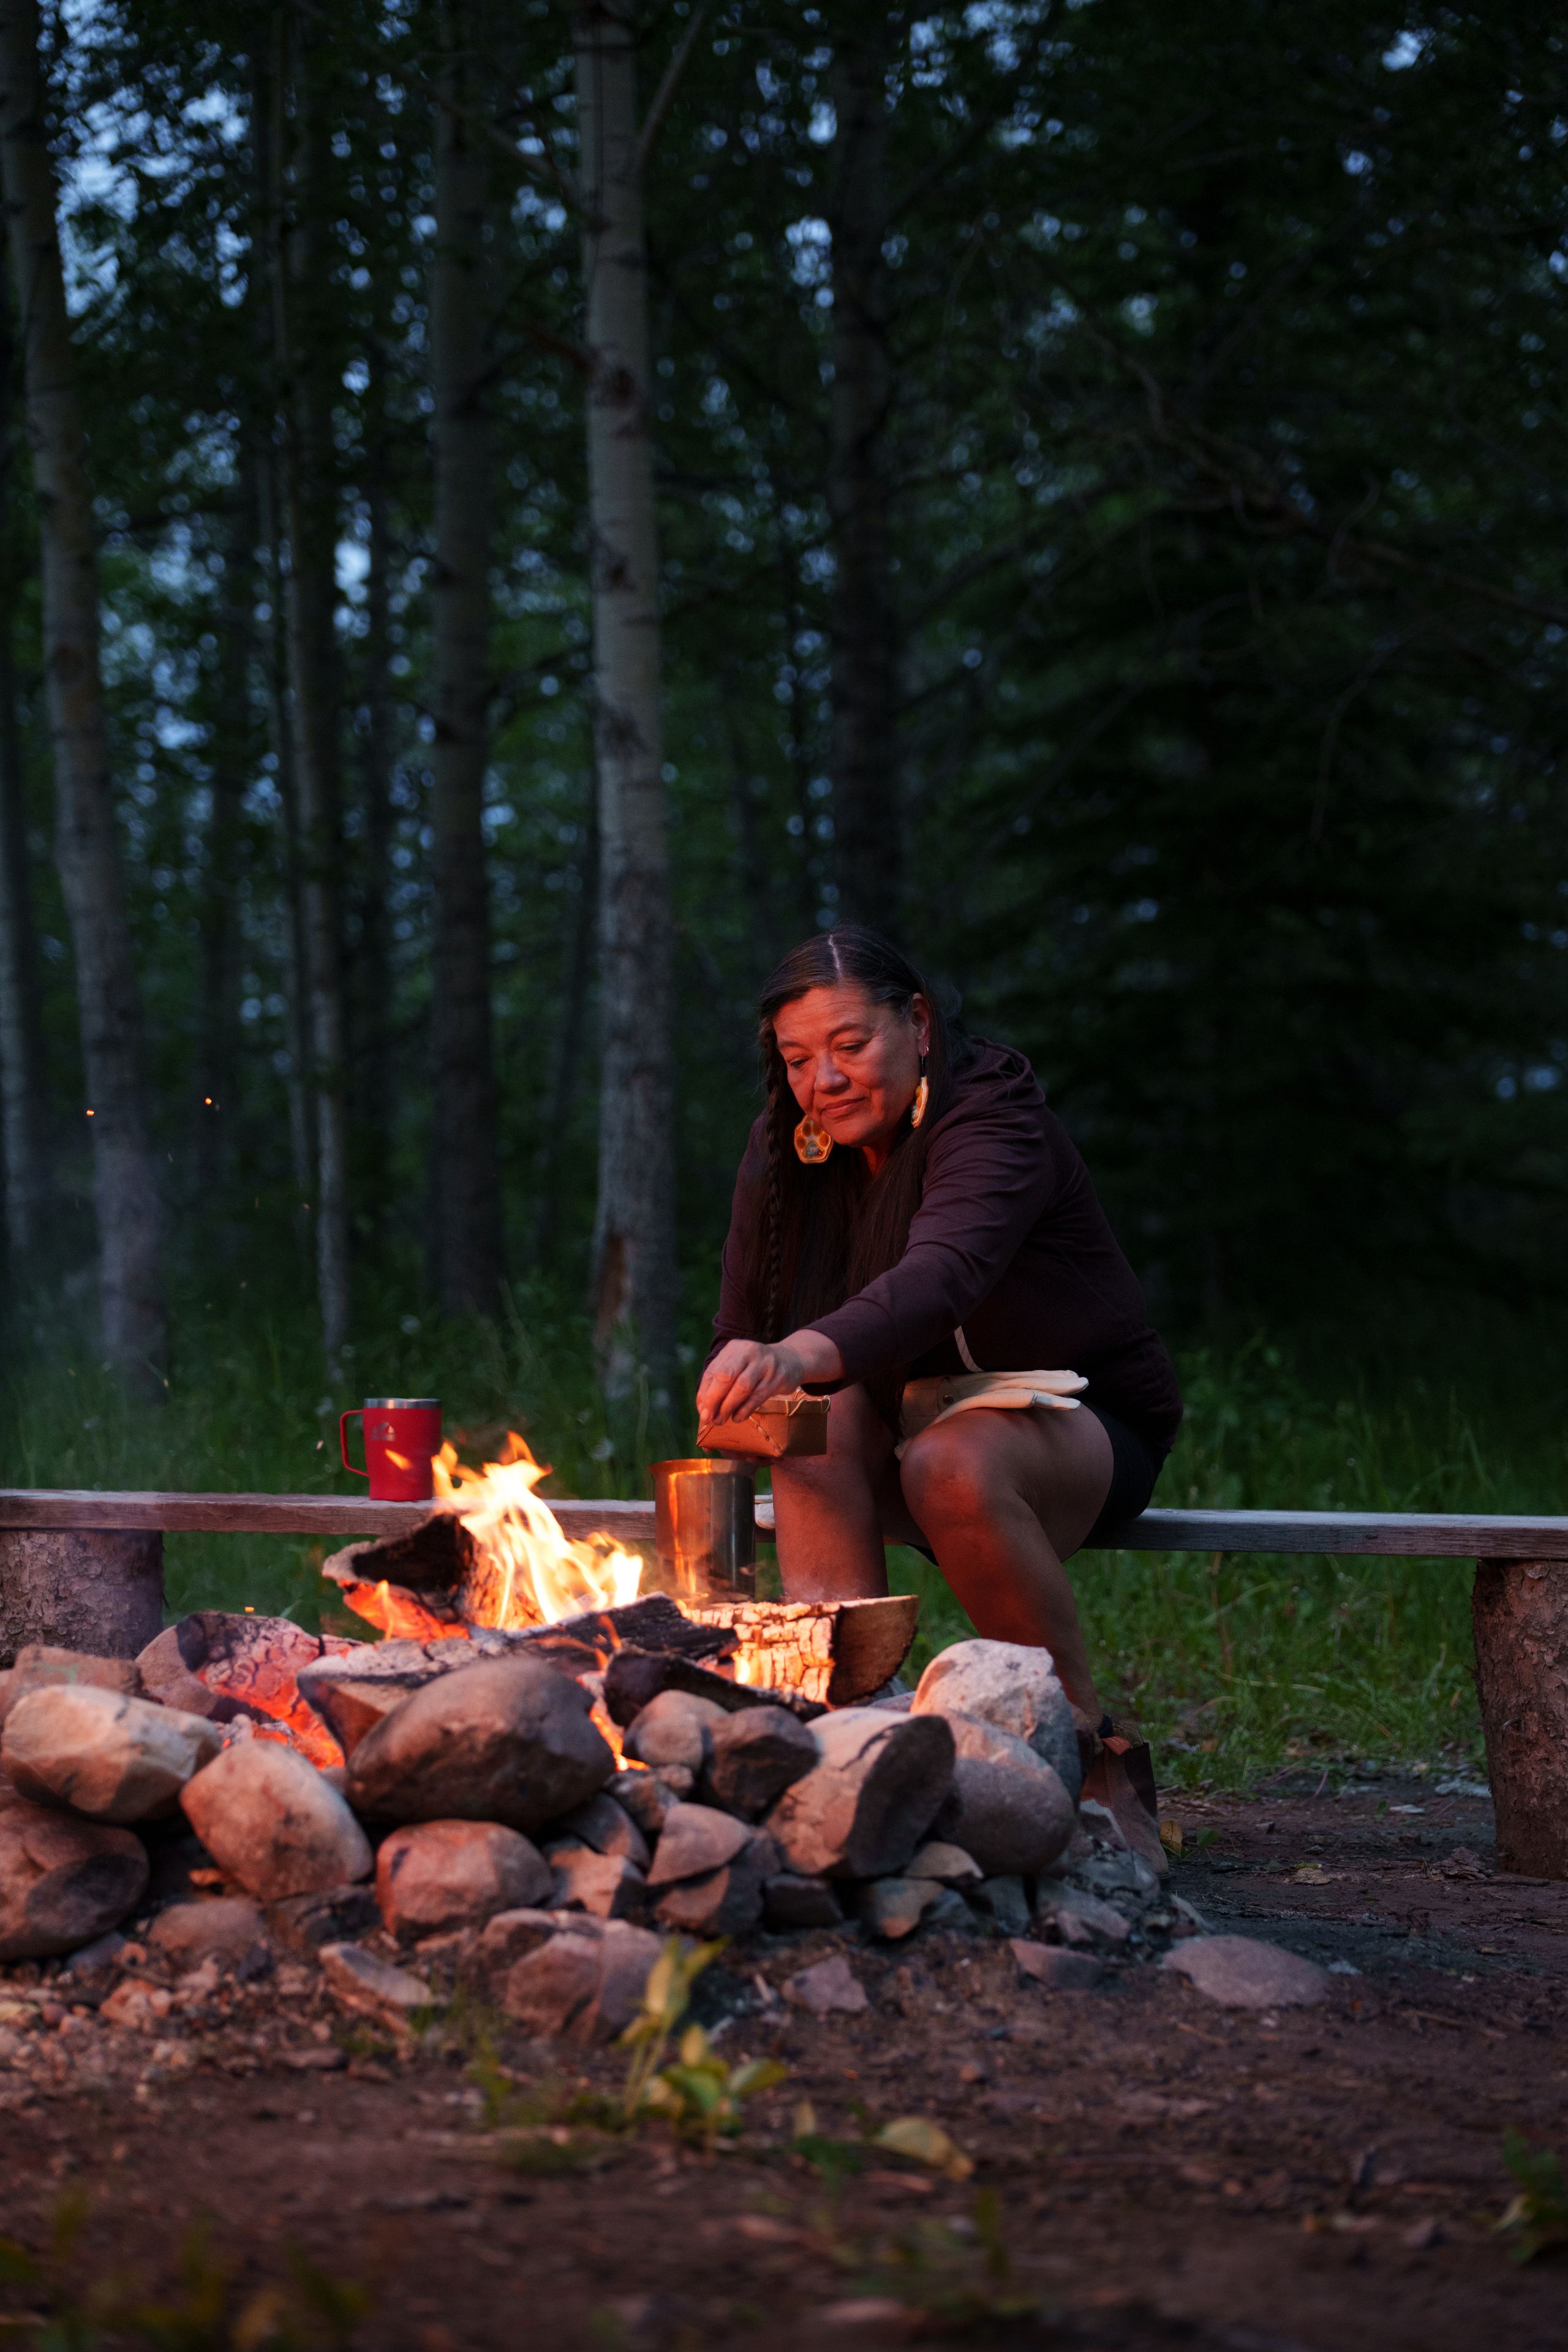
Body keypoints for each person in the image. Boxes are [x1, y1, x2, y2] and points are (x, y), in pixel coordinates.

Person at [696, 925, 1182, 1811]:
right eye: (799, 1059)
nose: (826, 1081)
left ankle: (1084, 1753)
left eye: (851, 1046)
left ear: (918, 1023)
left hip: (1076, 1426)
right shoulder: (783, 1153)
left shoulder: (996, 1121)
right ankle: (847, 1726)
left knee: (949, 1461)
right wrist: (736, 1410)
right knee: (811, 1421)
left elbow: (939, 1279)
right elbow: (742, 1333)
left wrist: (795, 1353)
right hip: (902, 1418)